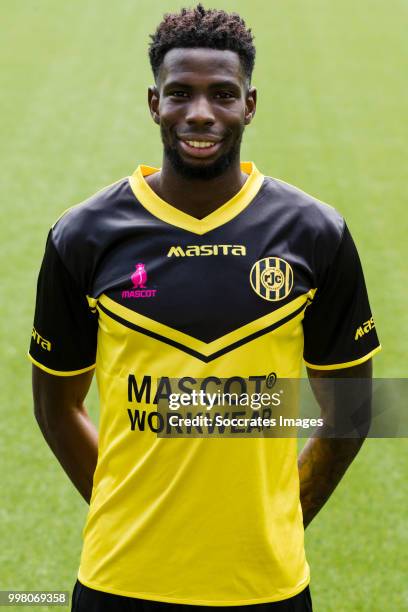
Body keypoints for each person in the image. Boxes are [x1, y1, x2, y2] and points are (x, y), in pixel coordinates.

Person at [29, 5, 381, 611]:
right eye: (179, 94)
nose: (200, 114)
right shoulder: (83, 236)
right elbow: (55, 404)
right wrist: (127, 510)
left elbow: (352, 409)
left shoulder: (315, 233)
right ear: (153, 102)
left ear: (249, 103)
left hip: (266, 584)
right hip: (120, 579)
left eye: (222, 94)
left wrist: (281, 517)